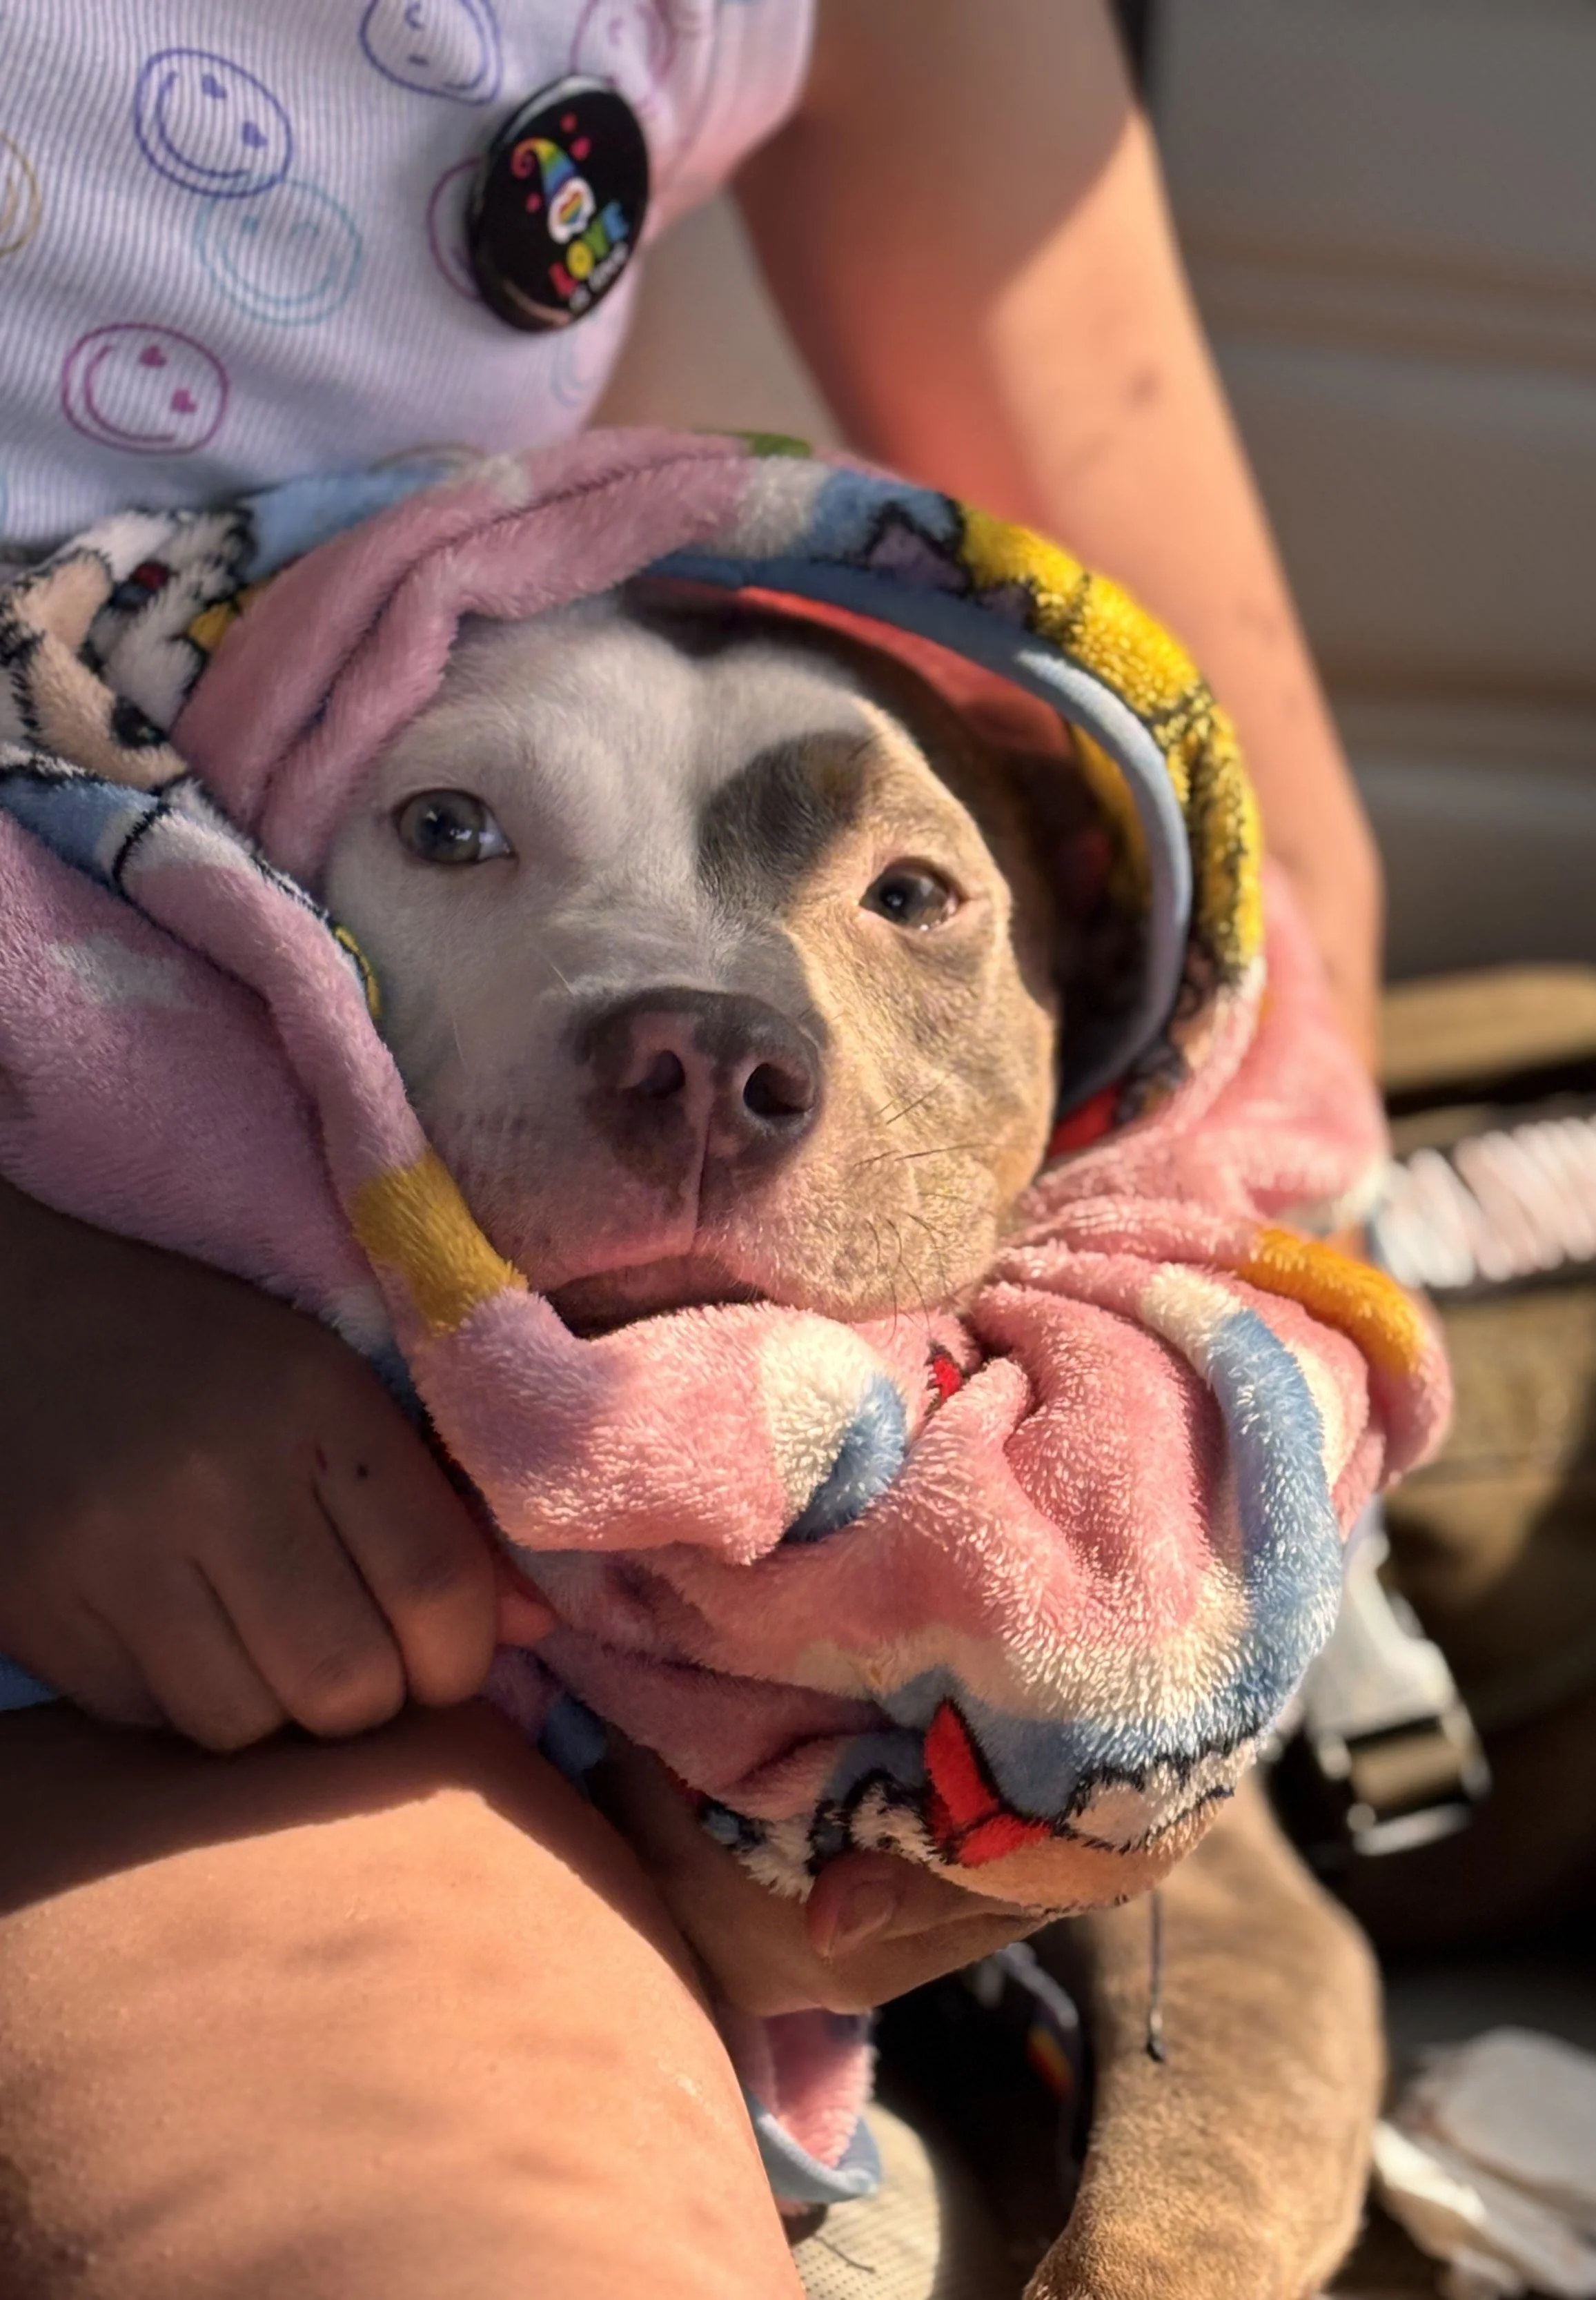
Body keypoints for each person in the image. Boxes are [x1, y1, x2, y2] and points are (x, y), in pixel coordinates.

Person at [0, 3, 1383, 2291]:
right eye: (455, 821)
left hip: (326, 1674)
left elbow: (1251, 924)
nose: (708, 1049)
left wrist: (1094, 1631)